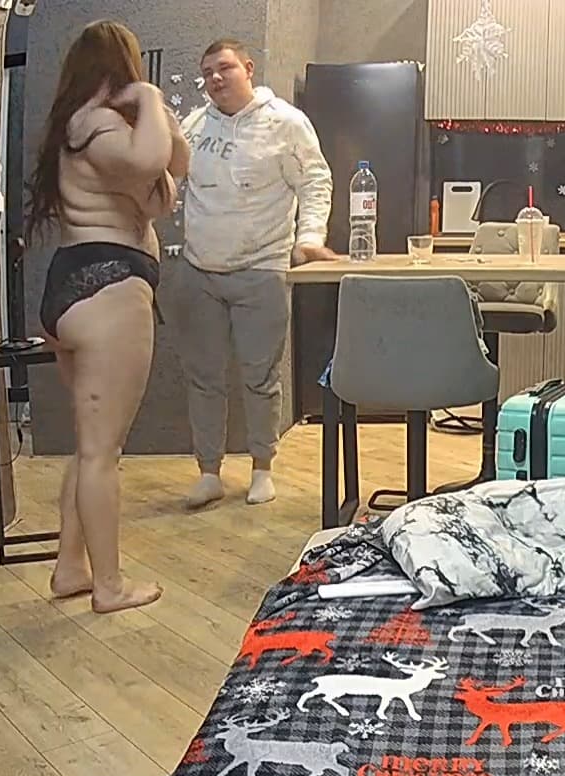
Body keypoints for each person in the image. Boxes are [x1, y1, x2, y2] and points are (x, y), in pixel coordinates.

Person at [26, 20, 189, 612]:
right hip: (109, 289)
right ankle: (109, 585)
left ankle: (71, 567)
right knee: (102, 454)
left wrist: (154, 111)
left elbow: (175, 164)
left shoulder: (81, 126)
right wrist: (148, 95)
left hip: (75, 287)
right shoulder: (100, 123)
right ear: (122, 64)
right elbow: (155, 163)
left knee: (89, 445)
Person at [164, 38, 334, 509]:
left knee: (260, 378)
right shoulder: (194, 126)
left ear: (248, 68)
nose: (215, 78)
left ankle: (262, 468)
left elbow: (315, 180)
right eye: (207, 72)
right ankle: (209, 472)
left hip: (262, 268)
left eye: (224, 68)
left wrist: (310, 237)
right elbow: (168, 182)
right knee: (203, 378)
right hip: (200, 270)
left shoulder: (285, 123)